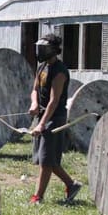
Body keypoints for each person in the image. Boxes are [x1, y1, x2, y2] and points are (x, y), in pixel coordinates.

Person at [28, 34, 82, 205]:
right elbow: (35, 89)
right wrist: (34, 103)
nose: (41, 52)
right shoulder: (42, 67)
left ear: (54, 50)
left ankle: (38, 197)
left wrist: (42, 124)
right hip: (42, 116)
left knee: (46, 160)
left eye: (44, 49)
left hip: (54, 118)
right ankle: (71, 184)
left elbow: (54, 100)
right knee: (46, 158)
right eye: (40, 48)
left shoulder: (60, 71)